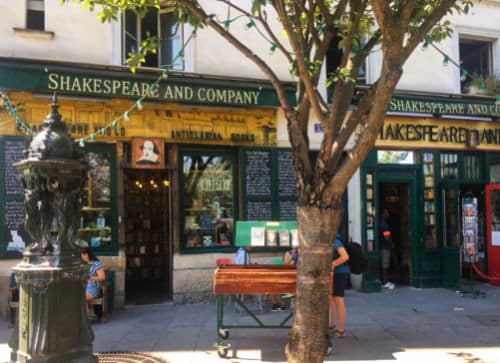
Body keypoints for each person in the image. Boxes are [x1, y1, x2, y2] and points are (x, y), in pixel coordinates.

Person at [329, 234, 350, 338]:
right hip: (334, 273)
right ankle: (331, 325)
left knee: (338, 300)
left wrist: (332, 264)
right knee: (331, 299)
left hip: (340, 273)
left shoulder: (335, 240)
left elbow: (345, 256)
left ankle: (341, 329)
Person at [271, 246, 299, 312]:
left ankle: (290, 302)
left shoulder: (301, 252)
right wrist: (292, 256)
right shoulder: (288, 253)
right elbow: (285, 265)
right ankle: (276, 304)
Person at [81, 247, 106, 318]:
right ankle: (83, 318)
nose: (81, 256)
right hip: (85, 288)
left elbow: (102, 277)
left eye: (81, 254)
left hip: (94, 288)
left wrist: (89, 278)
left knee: (80, 297)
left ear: (86, 255)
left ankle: (85, 319)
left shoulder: (96, 264)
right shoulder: (84, 264)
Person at [380, 207, 395, 289]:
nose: (388, 214)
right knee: (385, 265)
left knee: (384, 265)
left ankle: (384, 281)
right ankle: (385, 282)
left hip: (383, 246)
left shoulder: (382, 223)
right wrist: (391, 244)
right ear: (383, 214)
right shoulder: (384, 224)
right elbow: (387, 236)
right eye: (386, 212)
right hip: (385, 247)